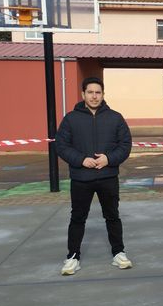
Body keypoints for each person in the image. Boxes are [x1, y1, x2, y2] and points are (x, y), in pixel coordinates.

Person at [55, 77, 133, 275]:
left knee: (112, 216)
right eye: (90, 92)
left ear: (103, 94)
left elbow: (125, 145)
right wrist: (81, 160)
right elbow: (62, 146)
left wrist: (109, 159)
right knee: (78, 218)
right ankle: (73, 257)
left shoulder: (115, 118)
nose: (94, 96)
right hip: (81, 178)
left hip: (107, 177)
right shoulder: (71, 119)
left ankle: (119, 253)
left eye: (98, 92)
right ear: (83, 94)